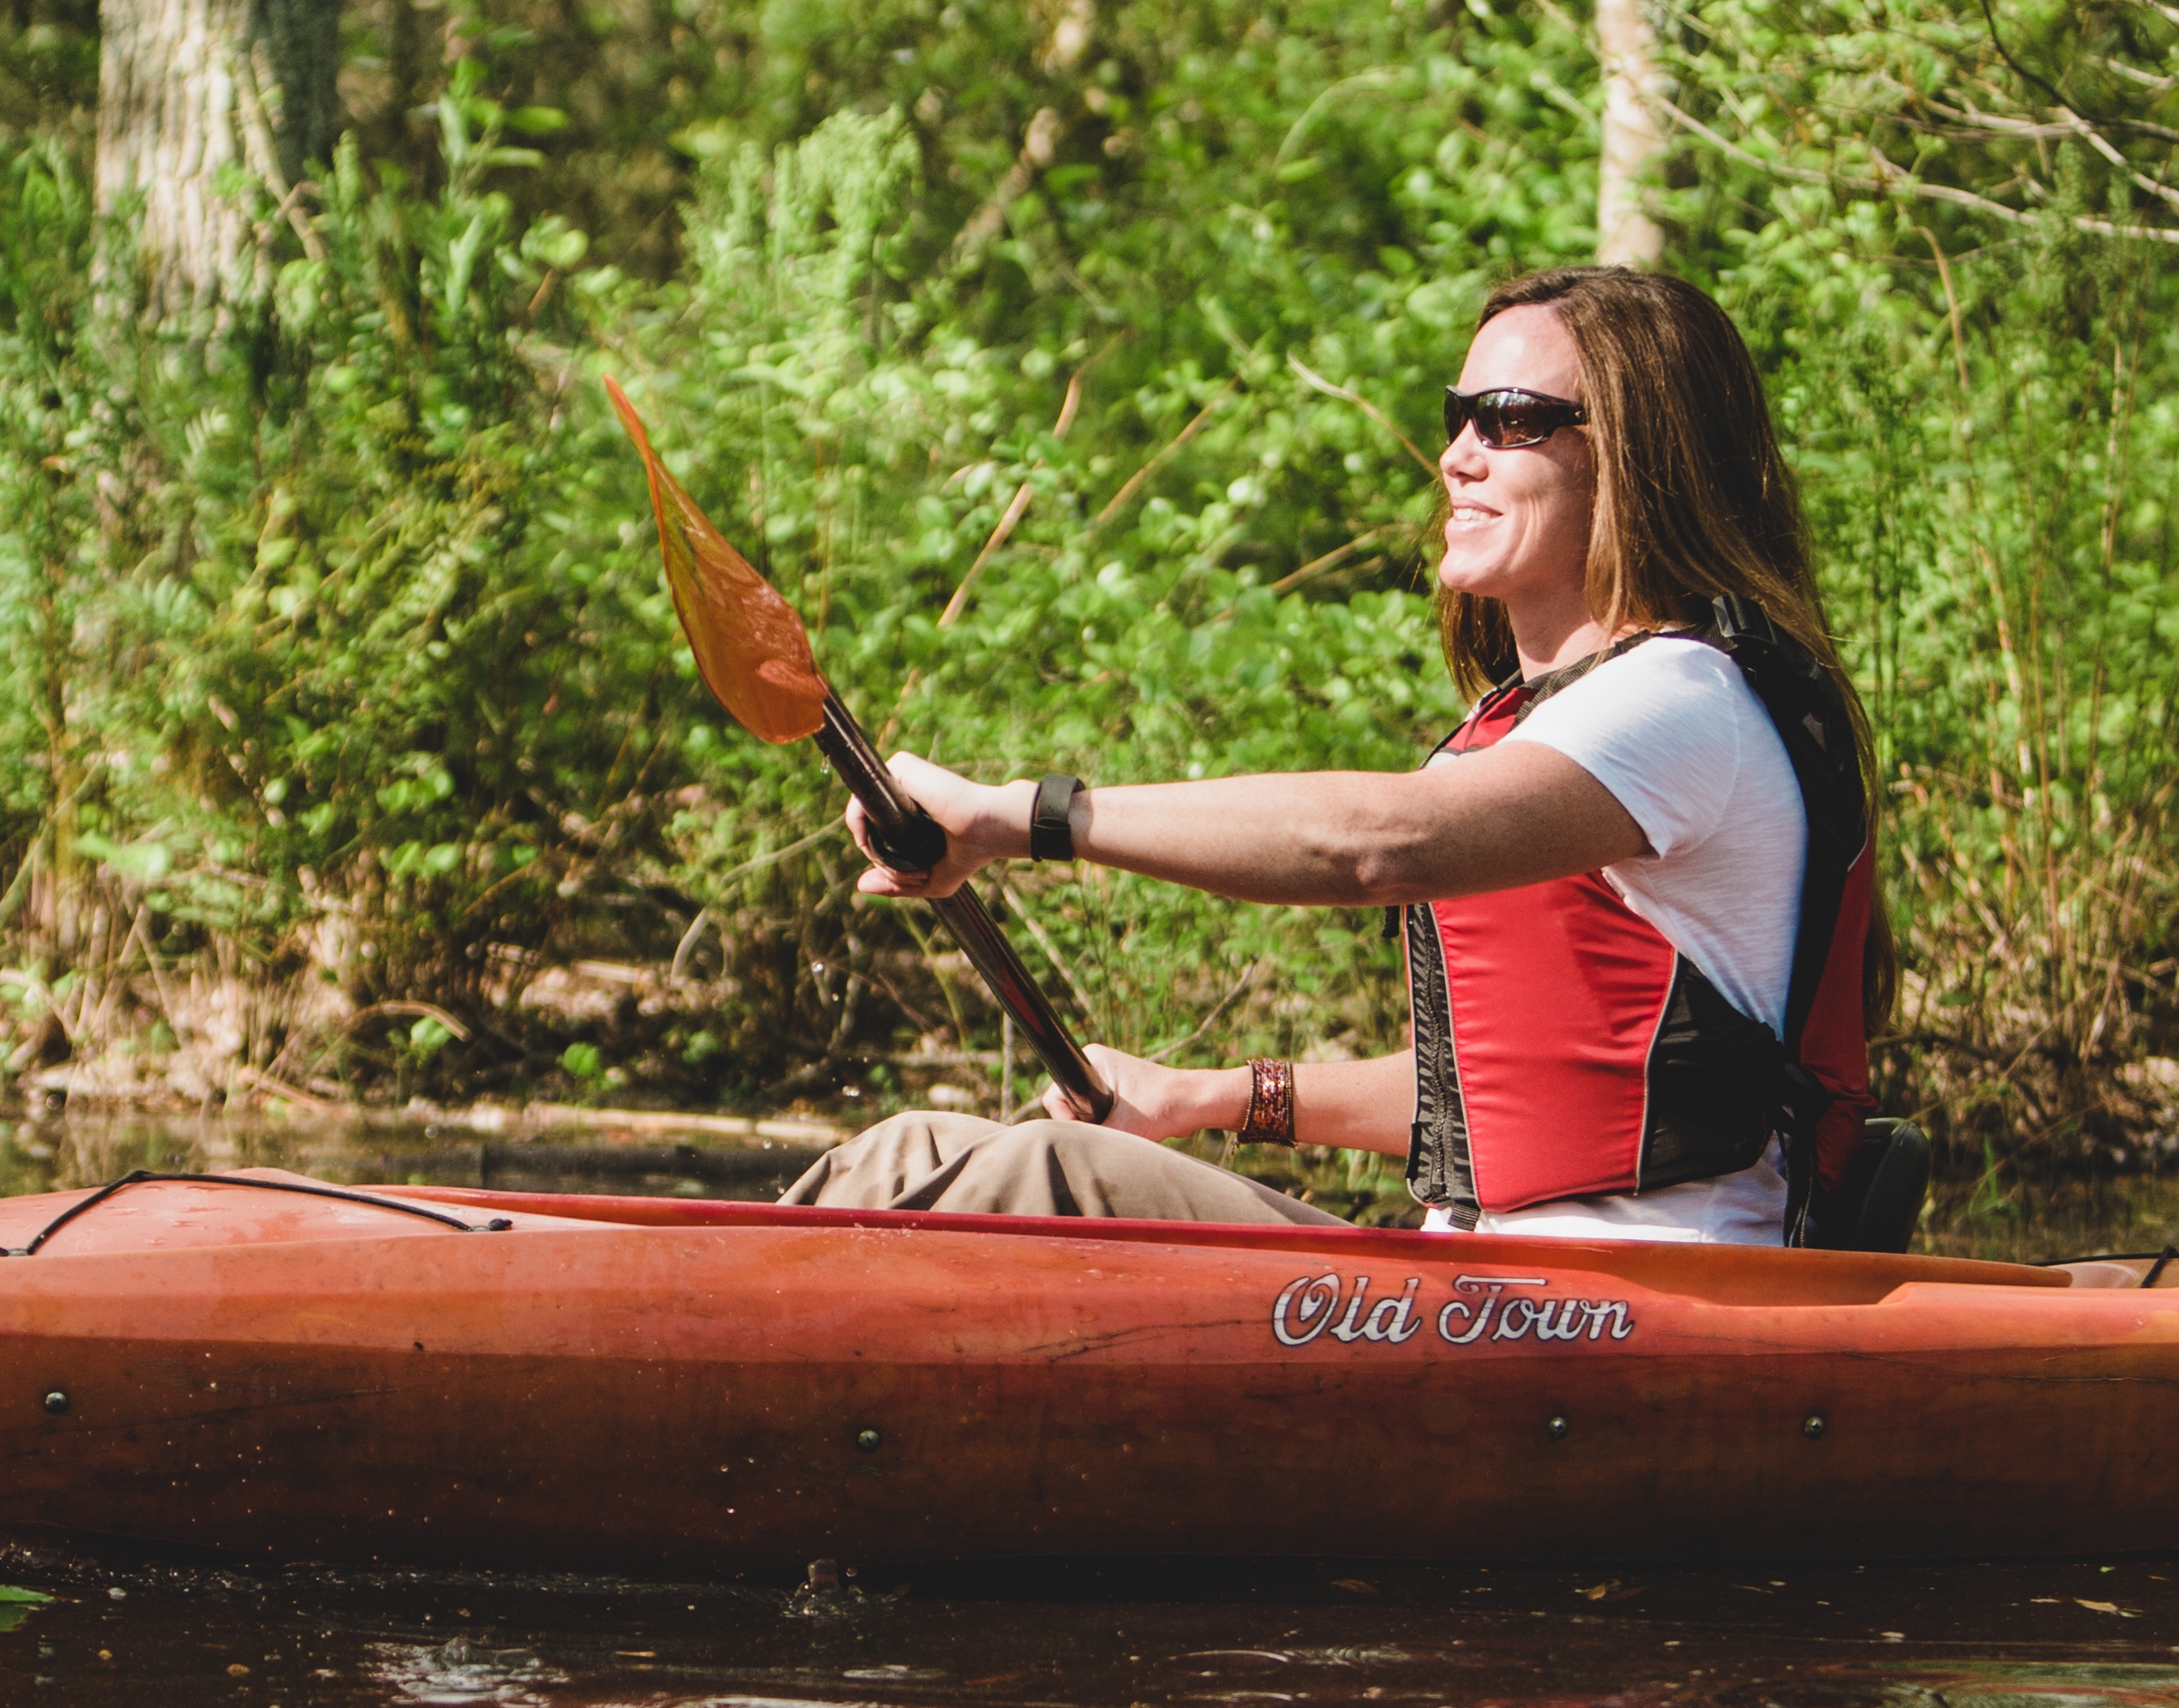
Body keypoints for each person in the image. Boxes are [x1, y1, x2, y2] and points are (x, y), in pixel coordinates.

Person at [776, 264, 1881, 1243]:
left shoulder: (1688, 697)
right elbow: (1498, 1088)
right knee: (910, 1152)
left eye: (1509, 420)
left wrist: (1022, 816)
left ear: (1641, 451)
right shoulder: (1542, 722)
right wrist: (1205, 1095)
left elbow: (1377, 847)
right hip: (1489, 1284)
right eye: (1459, 417)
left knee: (1041, 1170)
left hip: (1634, 1309)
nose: (1455, 458)